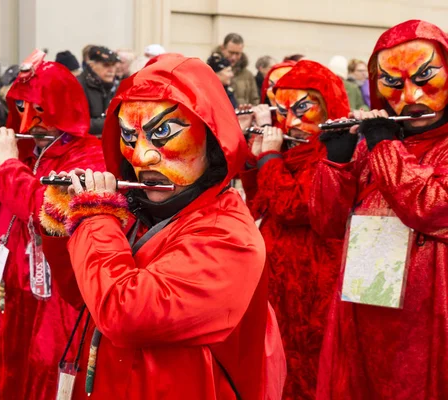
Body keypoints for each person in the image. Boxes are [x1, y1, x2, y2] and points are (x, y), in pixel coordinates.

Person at [39, 53, 285, 400]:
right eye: (128, 135)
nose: (142, 156)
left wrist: (95, 218)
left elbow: (125, 315)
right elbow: (81, 294)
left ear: (211, 138)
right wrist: (62, 223)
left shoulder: (229, 235)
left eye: (163, 132)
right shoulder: (137, 213)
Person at [313, 19, 448, 400]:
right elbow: (326, 222)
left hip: (430, 320)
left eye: (425, 77)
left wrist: (385, 147)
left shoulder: (383, 143)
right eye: (392, 83)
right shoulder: (375, 142)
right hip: (364, 308)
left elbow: (429, 208)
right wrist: (336, 162)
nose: (410, 96)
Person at [0, 50, 105, 399]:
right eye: (19, 109)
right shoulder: (25, 154)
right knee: (11, 377)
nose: (27, 123)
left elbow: (45, 212)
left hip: (56, 301)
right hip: (14, 297)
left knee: (46, 379)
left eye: (38, 110)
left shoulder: (89, 154)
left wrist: (8, 165)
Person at [244, 60, 349, 399]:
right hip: (279, 277)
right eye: (283, 110)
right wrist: (253, 151)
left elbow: (295, 205)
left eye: (304, 108)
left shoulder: (335, 151)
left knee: (313, 360)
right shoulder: (293, 148)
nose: (292, 122)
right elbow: (258, 200)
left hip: (316, 277)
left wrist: (270, 159)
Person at [77, 46, 119, 137]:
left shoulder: (116, 85)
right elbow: (78, 123)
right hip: (85, 143)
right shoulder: (78, 86)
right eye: (106, 65)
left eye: (114, 65)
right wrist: (114, 123)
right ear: (92, 65)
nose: (111, 70)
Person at [219, 33, 260, 105]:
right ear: (223, 49)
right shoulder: (211, 71)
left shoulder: (248, 75)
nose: (233, 57)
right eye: (231, 53)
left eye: (237, 54)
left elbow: (254, 100)